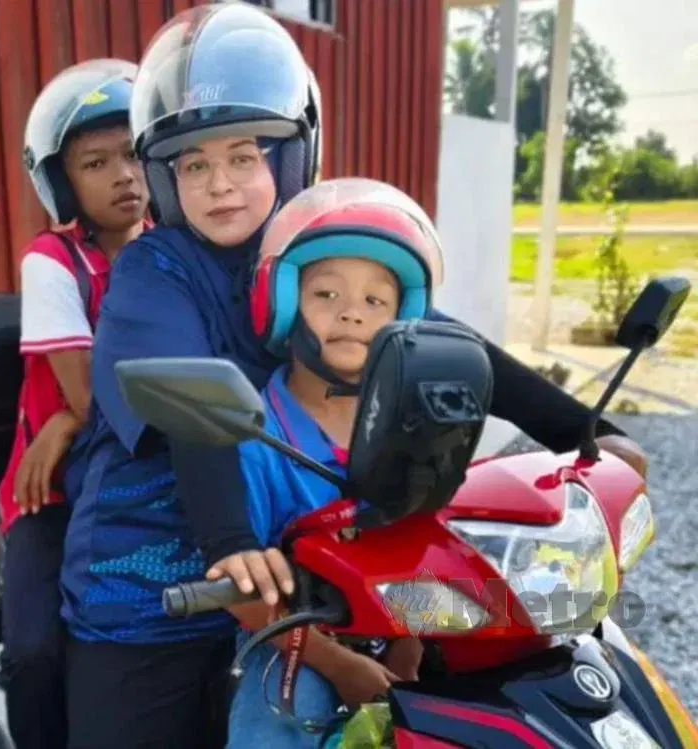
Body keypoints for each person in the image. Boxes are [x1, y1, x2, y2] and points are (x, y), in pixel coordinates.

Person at [59, 6, 648, 749]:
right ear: (164, 176)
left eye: (244, 156)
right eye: (195, 164)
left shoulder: (315, 244)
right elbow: (191, 397)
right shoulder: (155, 271)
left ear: (289, 156)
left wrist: (587, 431)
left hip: (310, 577)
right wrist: (233, 540)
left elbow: (433, 335)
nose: (221, 185)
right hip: (158, 587)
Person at [226, 178, 444, 748]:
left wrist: (407, 646)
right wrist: (338, 665)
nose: (351, 313)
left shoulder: (413, 427)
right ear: (283, 301)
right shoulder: (257, 434)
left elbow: (427, 541)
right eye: (326, 295)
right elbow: (241, 589)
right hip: (291, 639)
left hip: (399, 628)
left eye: (376, 300)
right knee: (281, 720)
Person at [0, 58, 149, 749]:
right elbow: (94, 397)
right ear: (62, 181)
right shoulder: (54, 261)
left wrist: (73, 415)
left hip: (146, 477)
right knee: (32, 652)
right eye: (95, 163)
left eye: (134, 152)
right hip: (52, 493)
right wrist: (67, 415)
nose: (123, 175)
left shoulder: (176, 249)